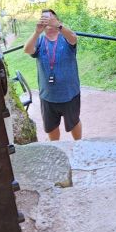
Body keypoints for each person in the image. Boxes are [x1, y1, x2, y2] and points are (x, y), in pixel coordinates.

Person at [22, 8, 82, 141]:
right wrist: (37, 32)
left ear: (58, 20)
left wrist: (59, 26)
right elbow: (27, 49)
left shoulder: (65, 37)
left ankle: (79, 145)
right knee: (51, 128)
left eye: (50, 18)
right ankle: (55, 148)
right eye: (44, 19)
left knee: (74, 122)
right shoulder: (40, 40)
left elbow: (73, 38)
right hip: (48, 96)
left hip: (70, 94)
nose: (47, 22)